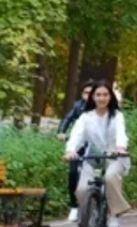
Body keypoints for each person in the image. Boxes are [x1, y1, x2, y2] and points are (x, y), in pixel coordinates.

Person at [63, 81, 130, 227]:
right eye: (98, 95)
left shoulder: (117, 116)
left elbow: (121, 133)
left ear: (110, 97)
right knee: (81, 189)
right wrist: (70, 150)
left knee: (110, 177)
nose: (102, 98)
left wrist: (120, 147)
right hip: (92, 156)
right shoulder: (86, 117)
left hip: (115, 155)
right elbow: (76, 135)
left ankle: (113, 214)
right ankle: (91, 212)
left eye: (105, 95)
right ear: (93, 97)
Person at [58, 81, 95, 223]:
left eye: (92, 93)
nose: (89, 95)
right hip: (79, 144)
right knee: (73, 173)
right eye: (86, 92)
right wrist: (61, 132)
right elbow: (67, 118)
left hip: (96, 145)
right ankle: (74, 205)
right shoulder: (78, 106)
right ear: (82, 94)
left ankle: (99, 200)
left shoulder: (102, 107)